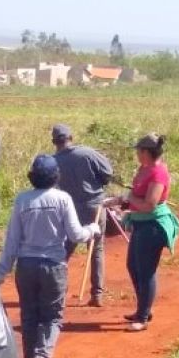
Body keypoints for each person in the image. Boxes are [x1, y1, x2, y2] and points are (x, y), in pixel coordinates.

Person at [0, 154, 101, 358]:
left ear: (33, 177)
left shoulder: (22, 201)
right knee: (52, 317)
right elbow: (76, 235)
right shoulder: (63, 199)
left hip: (26, 267)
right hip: (53, 267)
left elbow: (12, 243)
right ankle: (41, 357)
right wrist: (93, 229)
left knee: (29, 316)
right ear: (56, 177)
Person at [104, 134, 179, 332]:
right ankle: (143, 309)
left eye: (138, 151)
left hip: (152, 226)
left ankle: (143, 316)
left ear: (146, 152)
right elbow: (137, 198)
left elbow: (149, 204)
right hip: (140, 224)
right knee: (133, 267)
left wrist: (129, 198)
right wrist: (121, 201)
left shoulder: (158, 173)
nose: (136, 154)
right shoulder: (144, 169)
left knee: (146, 271)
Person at [52, 124, 114, 307]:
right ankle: (97, 294)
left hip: (70, 209)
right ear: (71, 137)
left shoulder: (53, 161)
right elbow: (108, 173)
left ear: (54, 142)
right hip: (94, 206)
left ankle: (58, 293)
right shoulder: (87, 152)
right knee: (96, 248)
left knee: (64, 250)